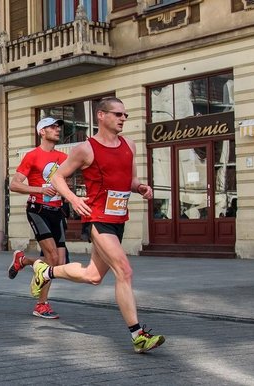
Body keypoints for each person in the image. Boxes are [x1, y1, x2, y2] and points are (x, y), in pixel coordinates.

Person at [37, 97, 165, 353]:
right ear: (101, 116)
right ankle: (138, 335)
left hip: (118, 220)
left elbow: (130, 180)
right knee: (124, 271)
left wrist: (140, 187)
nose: (123, 119)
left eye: (125, 115)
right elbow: (58, 177)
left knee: (93, 276)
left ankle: (46, 272)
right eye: (118, 114)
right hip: (97, 219)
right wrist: (72, 199)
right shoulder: (86, 148)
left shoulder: (130, 144)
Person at [8, 117, 68, 319]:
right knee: (51, 257)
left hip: (57, 210)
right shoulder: (32, 156)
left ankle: (23, 260)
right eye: (52, 127)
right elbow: (14, 184)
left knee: (58, 263)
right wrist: (39, 189)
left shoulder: (63, 156)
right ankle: (41, 305)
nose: (57, 129)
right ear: (42, 132)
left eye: (58, 126)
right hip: (38, 209)